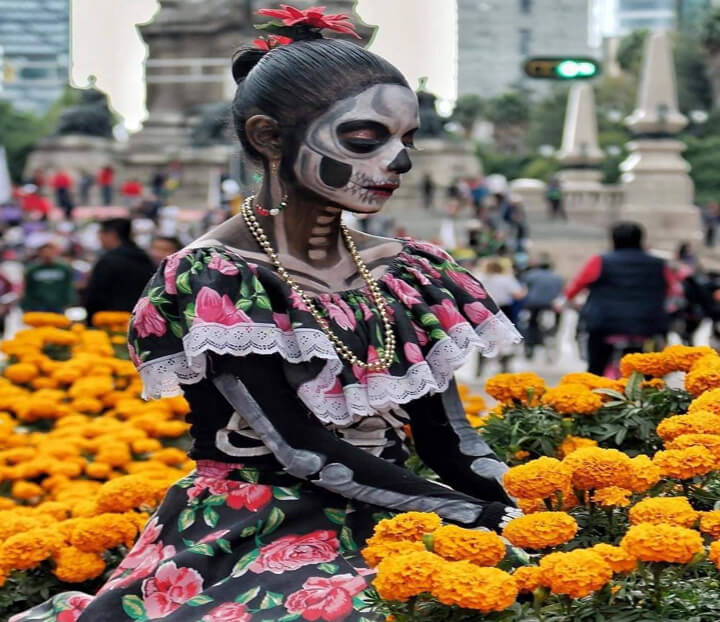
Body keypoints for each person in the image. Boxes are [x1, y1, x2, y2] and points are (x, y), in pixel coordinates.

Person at [13, 9, 523, 621]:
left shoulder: (410, 270)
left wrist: (530, 505)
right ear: (268, 138)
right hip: (255, 524)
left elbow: (447, 440)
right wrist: (472, 513)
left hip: (401, 509)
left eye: (405, 140)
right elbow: (297, 449)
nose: (400, 162)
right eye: (365, 139)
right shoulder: (218, 276)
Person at [563, 221, 673, 376]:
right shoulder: (659, 264)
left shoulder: (600, 261)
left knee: (596, 369)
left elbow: (575, 288)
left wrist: (571, 300)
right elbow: (671, 289)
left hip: (604, 324)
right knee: (649, 370)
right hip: (647, 325)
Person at [83, 218, 155, 324]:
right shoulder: (145, 259)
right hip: (140, 322)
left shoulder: (108, 261)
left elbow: (95, 296)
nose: (99, 238)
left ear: (112, 234)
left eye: (101, 233)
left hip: (110, 322)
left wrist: (90, 321)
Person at [521, 253, 564, 358]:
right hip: (550, 305)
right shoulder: (558, 278)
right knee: (556, 322)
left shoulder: (530, 275)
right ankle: (552, 336)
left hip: (533, 304)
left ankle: (529, 346)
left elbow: (524, 290)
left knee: (531, 324)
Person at [21, 241, 74, 313]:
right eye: (44, 252)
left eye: (50, 252)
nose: (47, 255)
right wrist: (27, 305)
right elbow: (28, 289)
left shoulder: (64, 268)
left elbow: (68, 286)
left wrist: (70, 302)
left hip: (58, 304)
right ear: (39, 253)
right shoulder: (32, 269)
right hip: (38, 305)